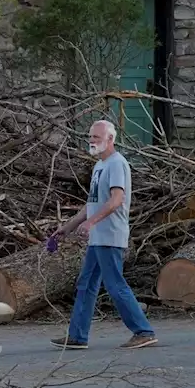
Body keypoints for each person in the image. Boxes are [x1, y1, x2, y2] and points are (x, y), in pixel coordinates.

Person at [49, 119, 158, 350]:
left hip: (110, 235)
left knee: (115, 285)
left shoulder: (117, 164)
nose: (91, 141)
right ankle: (78, 335)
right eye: (90, 137)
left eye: (96, 137)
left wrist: (91, 223)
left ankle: (143, 330)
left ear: (110, 139)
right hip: (98, 236)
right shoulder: (99, 166)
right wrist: (68, 226)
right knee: (86, 284)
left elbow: (116, 200)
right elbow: (92, 203)